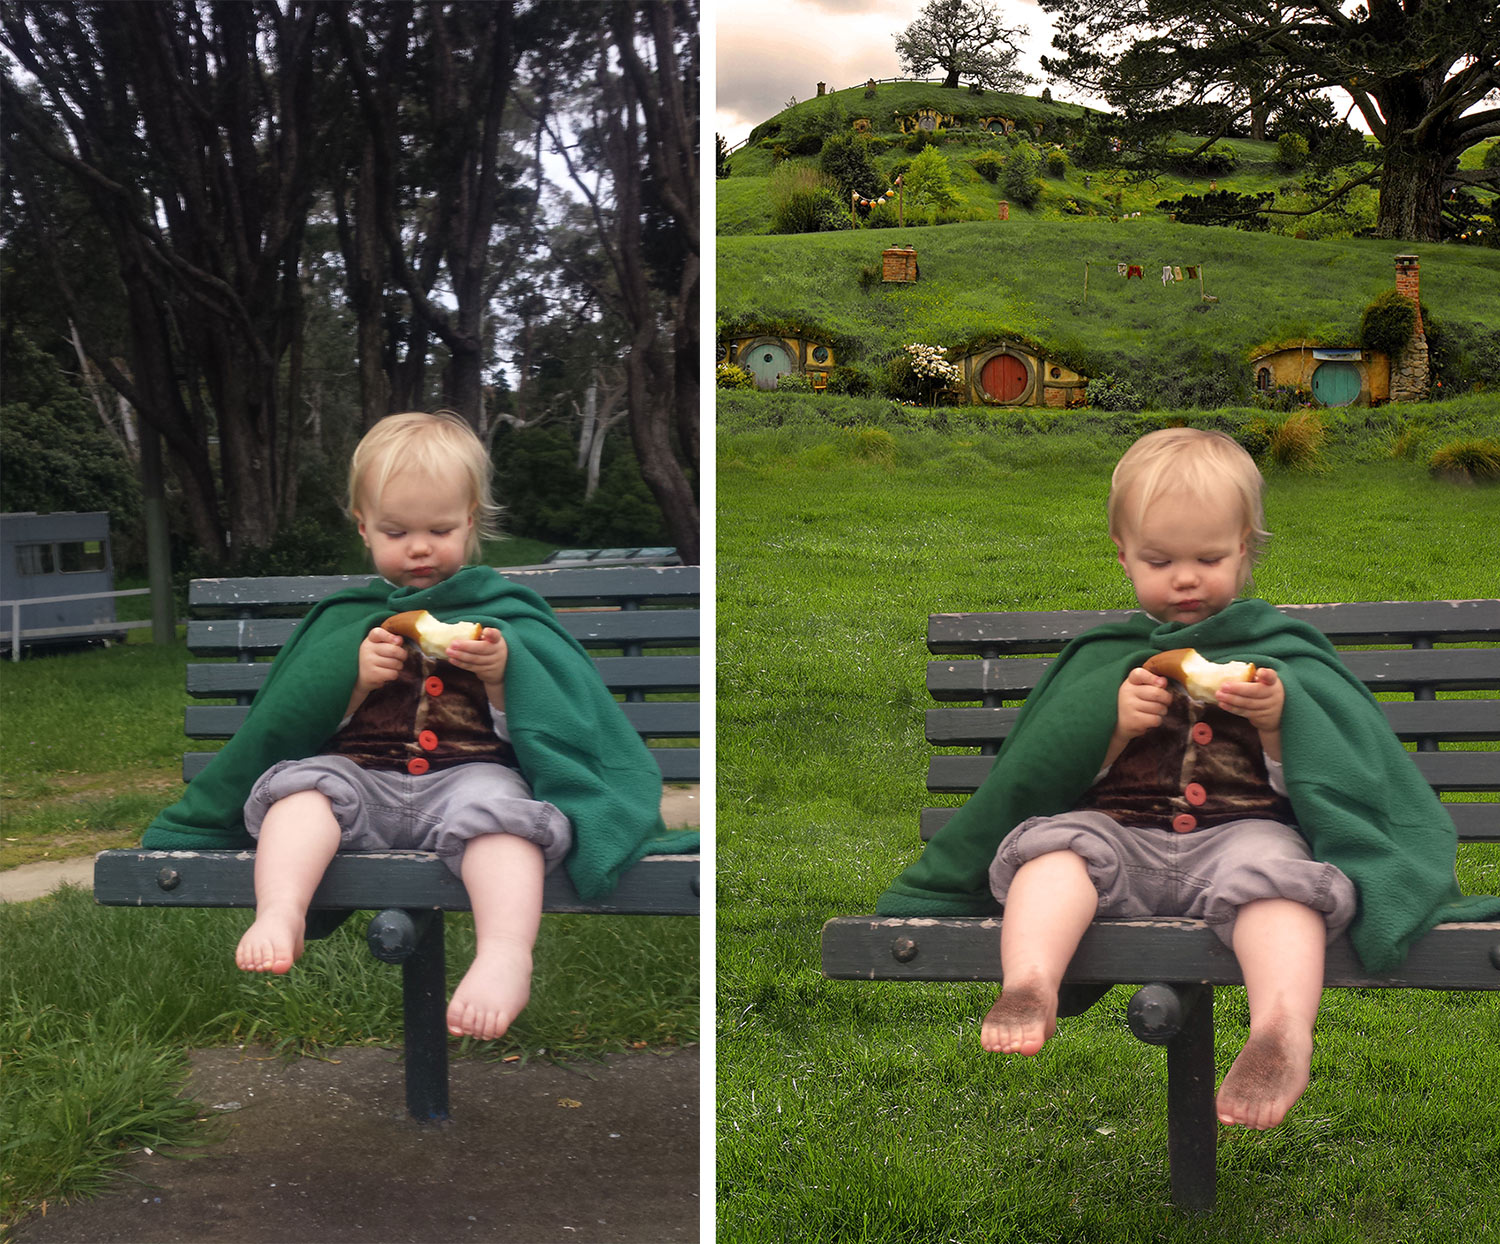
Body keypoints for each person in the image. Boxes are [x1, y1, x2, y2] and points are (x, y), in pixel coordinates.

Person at [143, 410, 685, 1043]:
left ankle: (506, 953)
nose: (420, 547)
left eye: (440, 529)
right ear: (364, 527)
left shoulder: (506, 616)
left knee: (505, 822)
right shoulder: (348, 618)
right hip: (360, 779)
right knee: (300, 795)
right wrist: (352, 681)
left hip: (469, 779)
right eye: (397, 531)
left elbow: (552, 722)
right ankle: (281, 912)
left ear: (473, 522)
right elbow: (296, 716)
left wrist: (503, 675)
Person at [976, 428, 1355, 1130]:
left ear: (1244, 550)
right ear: (1123, 558)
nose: (1185, 577)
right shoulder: (1109, 659)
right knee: (1053, 852)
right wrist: (1110, 726)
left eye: (1208, 558)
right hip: (1120, 838)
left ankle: (1281, 1030)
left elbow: (1319, 777)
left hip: (1240, 838)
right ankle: (1029, 983)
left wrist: (1277, 720)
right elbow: (1051, 770)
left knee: (1282, 882)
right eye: (1160, 560)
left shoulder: (1279, 653)